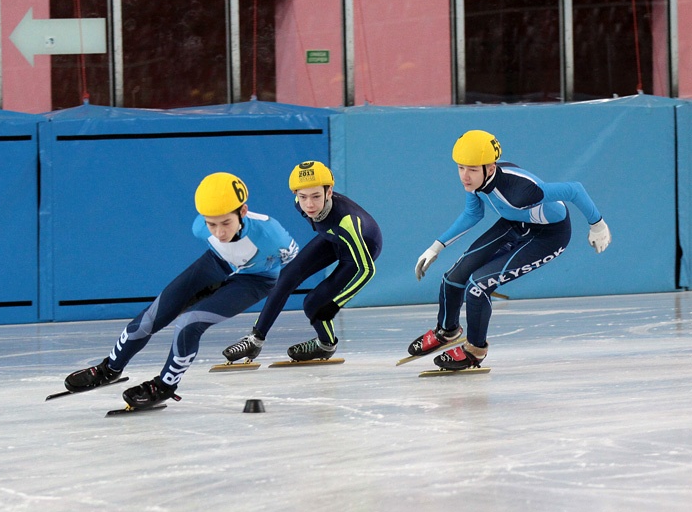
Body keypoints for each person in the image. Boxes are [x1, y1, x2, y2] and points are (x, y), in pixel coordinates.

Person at [63, 172, 299, 409]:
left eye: (226, 222)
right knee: (151, 317)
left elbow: (293, 263)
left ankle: (165, 385)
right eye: (212, 224)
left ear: (243, 211)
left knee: (189, 323)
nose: (219, 232)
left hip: (255, 280)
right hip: (217, 263)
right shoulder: (200, 227)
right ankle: (109, 368)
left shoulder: (272, 234)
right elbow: (218, 240)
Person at [409, 129, 612, 370]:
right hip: (515, 222)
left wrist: (597, 225)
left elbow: (574, 189)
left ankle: (476, 349)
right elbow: (473, 213)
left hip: (548, 235)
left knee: (478, 286)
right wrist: (437, 246)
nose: (465, 176)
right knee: (454, 277)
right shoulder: (477, 181)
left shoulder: (521, 192)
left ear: (491, 168)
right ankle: (447, 330)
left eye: (472, 169)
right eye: (461, 167)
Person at [222, 160, 382, 363]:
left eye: (316, 196)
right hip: (333, 239)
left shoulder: (347, 221)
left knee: (313, 304)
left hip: (359, 248)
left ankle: (325, 344)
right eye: (303, 196)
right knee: (285, 278)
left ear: (329, 192)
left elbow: (367, 269)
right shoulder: (300, 205)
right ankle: (255, 340)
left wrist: (335, 304)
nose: (309, 205)